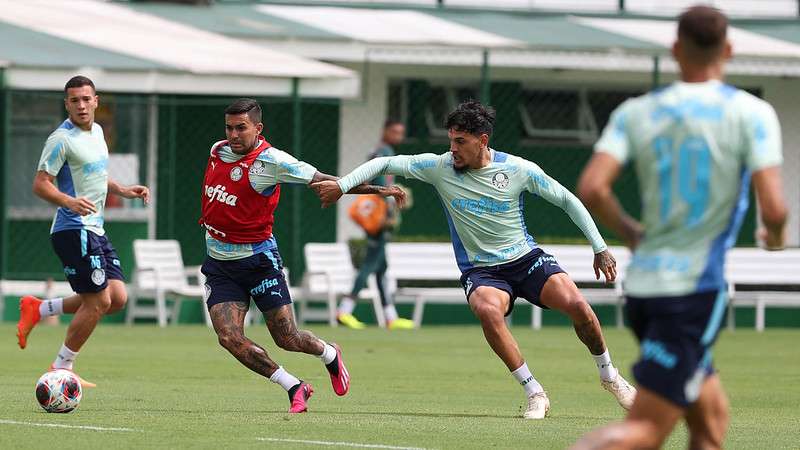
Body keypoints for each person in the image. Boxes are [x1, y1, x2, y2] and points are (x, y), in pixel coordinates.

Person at [313, 100, 636, 419]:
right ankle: (534, 392)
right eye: (451, 140)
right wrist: (342, 186)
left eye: (460, 141)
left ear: (483, 140)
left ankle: (609, 376)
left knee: (578, 305)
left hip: (526, 259)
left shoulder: (518, 170)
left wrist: (600, 247)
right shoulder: (439, 168)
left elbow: (567, 200)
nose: (452, 148)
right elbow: (385, 164)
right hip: (482, 271)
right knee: (486, 310)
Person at [572, 6, 787, 449]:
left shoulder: (638, 112)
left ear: (674, 50)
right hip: (690, 293)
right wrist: (776, 238)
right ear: (728, 50)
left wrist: (631, 232)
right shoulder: (751, 113)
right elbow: (776, 210)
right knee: (647, 429)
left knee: (710, 423)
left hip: (645, 287)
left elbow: (592, 187)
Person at [200, 98, 405, 413]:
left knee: (288, 338)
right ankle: (293, 385)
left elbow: (326, 180)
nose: (233, 134)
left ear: (258, 128)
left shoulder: (273, 161)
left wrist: (381, 191)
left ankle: (329, 354)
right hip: (219, 264)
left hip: (259, 262)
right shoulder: (217, 150)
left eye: (241, 128)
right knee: (228, 336)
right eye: (229, 127)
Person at [16, 76, 151, 387]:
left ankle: (39, 308)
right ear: (67, 104)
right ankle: (61, 366)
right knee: (98, 301)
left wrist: (122, 189)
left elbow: (95, 174)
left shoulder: (98, 132)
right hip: (72, 228)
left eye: (85, 99)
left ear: (95, 101)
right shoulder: (60, 139)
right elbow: (40, 184)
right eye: (74, 100)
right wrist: (68, 201)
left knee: (116, 298)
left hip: (94, 228)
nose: (80, 105)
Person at [337, 119, 415, 330]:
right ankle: (344, 310)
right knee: (370, 265)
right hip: (380, 217)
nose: (398, 135)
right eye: (395, 131)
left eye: (401, 132)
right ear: (385, 131)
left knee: (381, 268)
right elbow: (380, 185)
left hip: (379, 215)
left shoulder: (381, 150)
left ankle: (390, 316)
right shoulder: (383, 151)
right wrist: (393, 198)